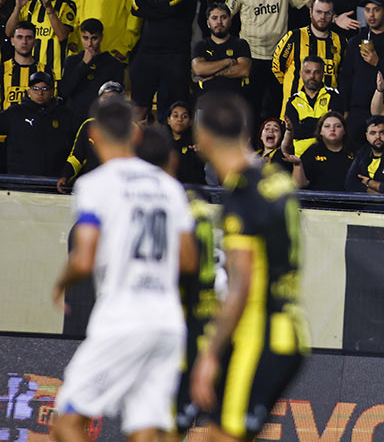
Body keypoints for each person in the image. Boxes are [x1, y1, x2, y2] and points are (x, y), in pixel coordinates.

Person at [50, 97, 194, 442]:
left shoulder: (96, 184)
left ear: (95, 135)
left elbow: (84, 259)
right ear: (136, 136)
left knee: (66, 422)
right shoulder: (169, 187)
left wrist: (59, 284)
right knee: (146, 431)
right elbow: (189, 261)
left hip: (123, 318)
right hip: (167, 322)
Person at [189, 92, 309, 442]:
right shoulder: (276, 180)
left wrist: (210, 353)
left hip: (257, 336)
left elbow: (241, 284)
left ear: (204, 137)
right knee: (213, 434)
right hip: (286, 326)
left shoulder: (243, 197)